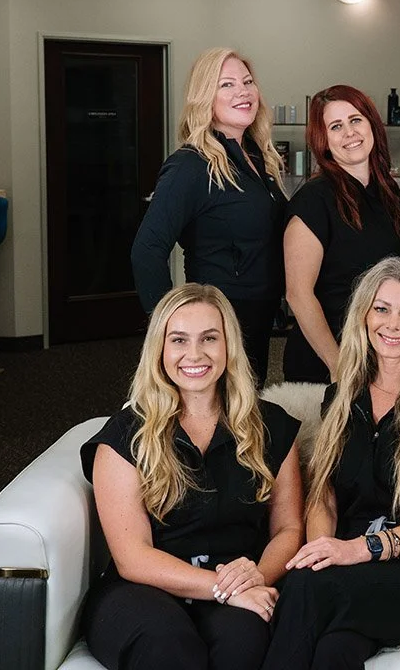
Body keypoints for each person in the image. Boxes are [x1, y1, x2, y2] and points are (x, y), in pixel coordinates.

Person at [262, 257, 400, 669]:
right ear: (364, 316)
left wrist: (357, 551)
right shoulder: (341, 396)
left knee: (306, 589)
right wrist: (324, 550)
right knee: (333, 651)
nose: (393, 324)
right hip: (350, 570)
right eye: (381, 309)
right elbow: (323, 497)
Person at [80, 283, 304, 670]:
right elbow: (133, 557)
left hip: (239, 578)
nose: (194, 354)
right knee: (169, 647)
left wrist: (255, 577)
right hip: (143, 589)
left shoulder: (272, 427)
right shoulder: (124, 436)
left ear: (228, 346)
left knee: (245, 641)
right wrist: (223, 590)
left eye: (209, 339)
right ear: (160, 350)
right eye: (179, 339)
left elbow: (288, 529)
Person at [132, 48, 287, 386]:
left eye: (247, 82)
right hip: (219, 320)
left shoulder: (257, 159)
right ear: (205, 98)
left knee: (246, 417)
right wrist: (171, 329)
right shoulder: (191, 164)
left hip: (259, 317)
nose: (242, 92)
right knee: (220, 422)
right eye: (227, 85)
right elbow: (147, 250)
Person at [282, 85, 400, 384]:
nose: (349, 133)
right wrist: (337, 365)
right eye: (336, 126)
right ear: (324, 141)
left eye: (355, 120)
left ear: (371, 125)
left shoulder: (389, 193)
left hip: (379, 354)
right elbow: (298, 294)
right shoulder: (314, 199)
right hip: (326, 362)